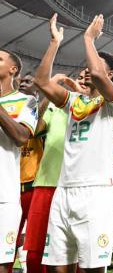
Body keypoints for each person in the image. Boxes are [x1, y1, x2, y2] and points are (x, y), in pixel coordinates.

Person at [34, 14, 113, 272]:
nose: (87, 68)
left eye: (94, 64)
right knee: (58, 268)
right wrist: (55, 43)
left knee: (91, 269)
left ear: (110, 74)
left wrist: (88, 38)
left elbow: (98, 74)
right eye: (87, 65)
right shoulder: (75, 102)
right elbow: (41, 82)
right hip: (64, 190)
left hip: (96, 193)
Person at [24, 73, 86, 273]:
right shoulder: (54, 106)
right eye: (80, 76)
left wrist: (79, 95)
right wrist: (48, 92)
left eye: (87, 77)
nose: (81, 80)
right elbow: (34, 126)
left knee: (75, 251)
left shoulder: (101, 107)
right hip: (47, 183)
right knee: (35, 251)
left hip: (79, 186)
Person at [0, 49, 38, 273]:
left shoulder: (27, 101)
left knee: (2, 264)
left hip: (4, 197)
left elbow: (21, 137)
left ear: (13, 69)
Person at [7, 73, 45, 273]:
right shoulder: (8, 107)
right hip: (9, 185)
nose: (23, 84)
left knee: (34, 241)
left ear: (38, 90)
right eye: (22, 82)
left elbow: (37, 129)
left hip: (33, 185)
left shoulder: (41, 111)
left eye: (29, 82)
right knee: (8, 240)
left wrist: (36, 101)